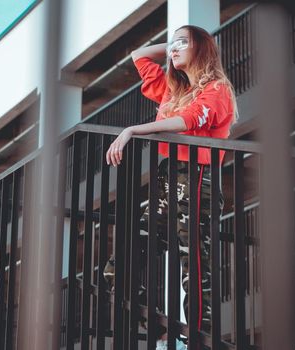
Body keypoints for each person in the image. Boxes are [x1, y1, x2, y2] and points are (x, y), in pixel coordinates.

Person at [104, 25, 236, 349]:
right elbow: (138, 57)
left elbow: (186, 122)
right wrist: (173, 45)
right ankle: (160, 332)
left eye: (183, 43)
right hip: (167, 179)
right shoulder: (171, 89)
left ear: (202, 49)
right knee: (119, 263)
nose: (174, 49)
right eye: (173, 43)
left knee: (193, 268)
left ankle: (197, 341)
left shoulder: (217, 90)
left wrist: (133, 130)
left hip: (199, 179)